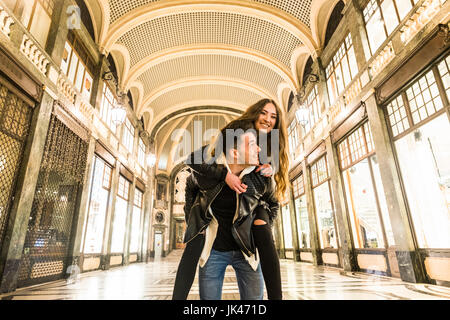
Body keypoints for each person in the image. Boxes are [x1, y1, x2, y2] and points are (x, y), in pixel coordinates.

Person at [172, 99, 289, 300]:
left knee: (262, 224)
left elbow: (273, 199)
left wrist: (265, 218)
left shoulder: (268, 151)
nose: (268, 120)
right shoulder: (235, 133)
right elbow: (193, 161)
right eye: (264, 113)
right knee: (193, 247)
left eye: (273, 116)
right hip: (215, 247)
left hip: (247, 244)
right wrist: (223, 176)